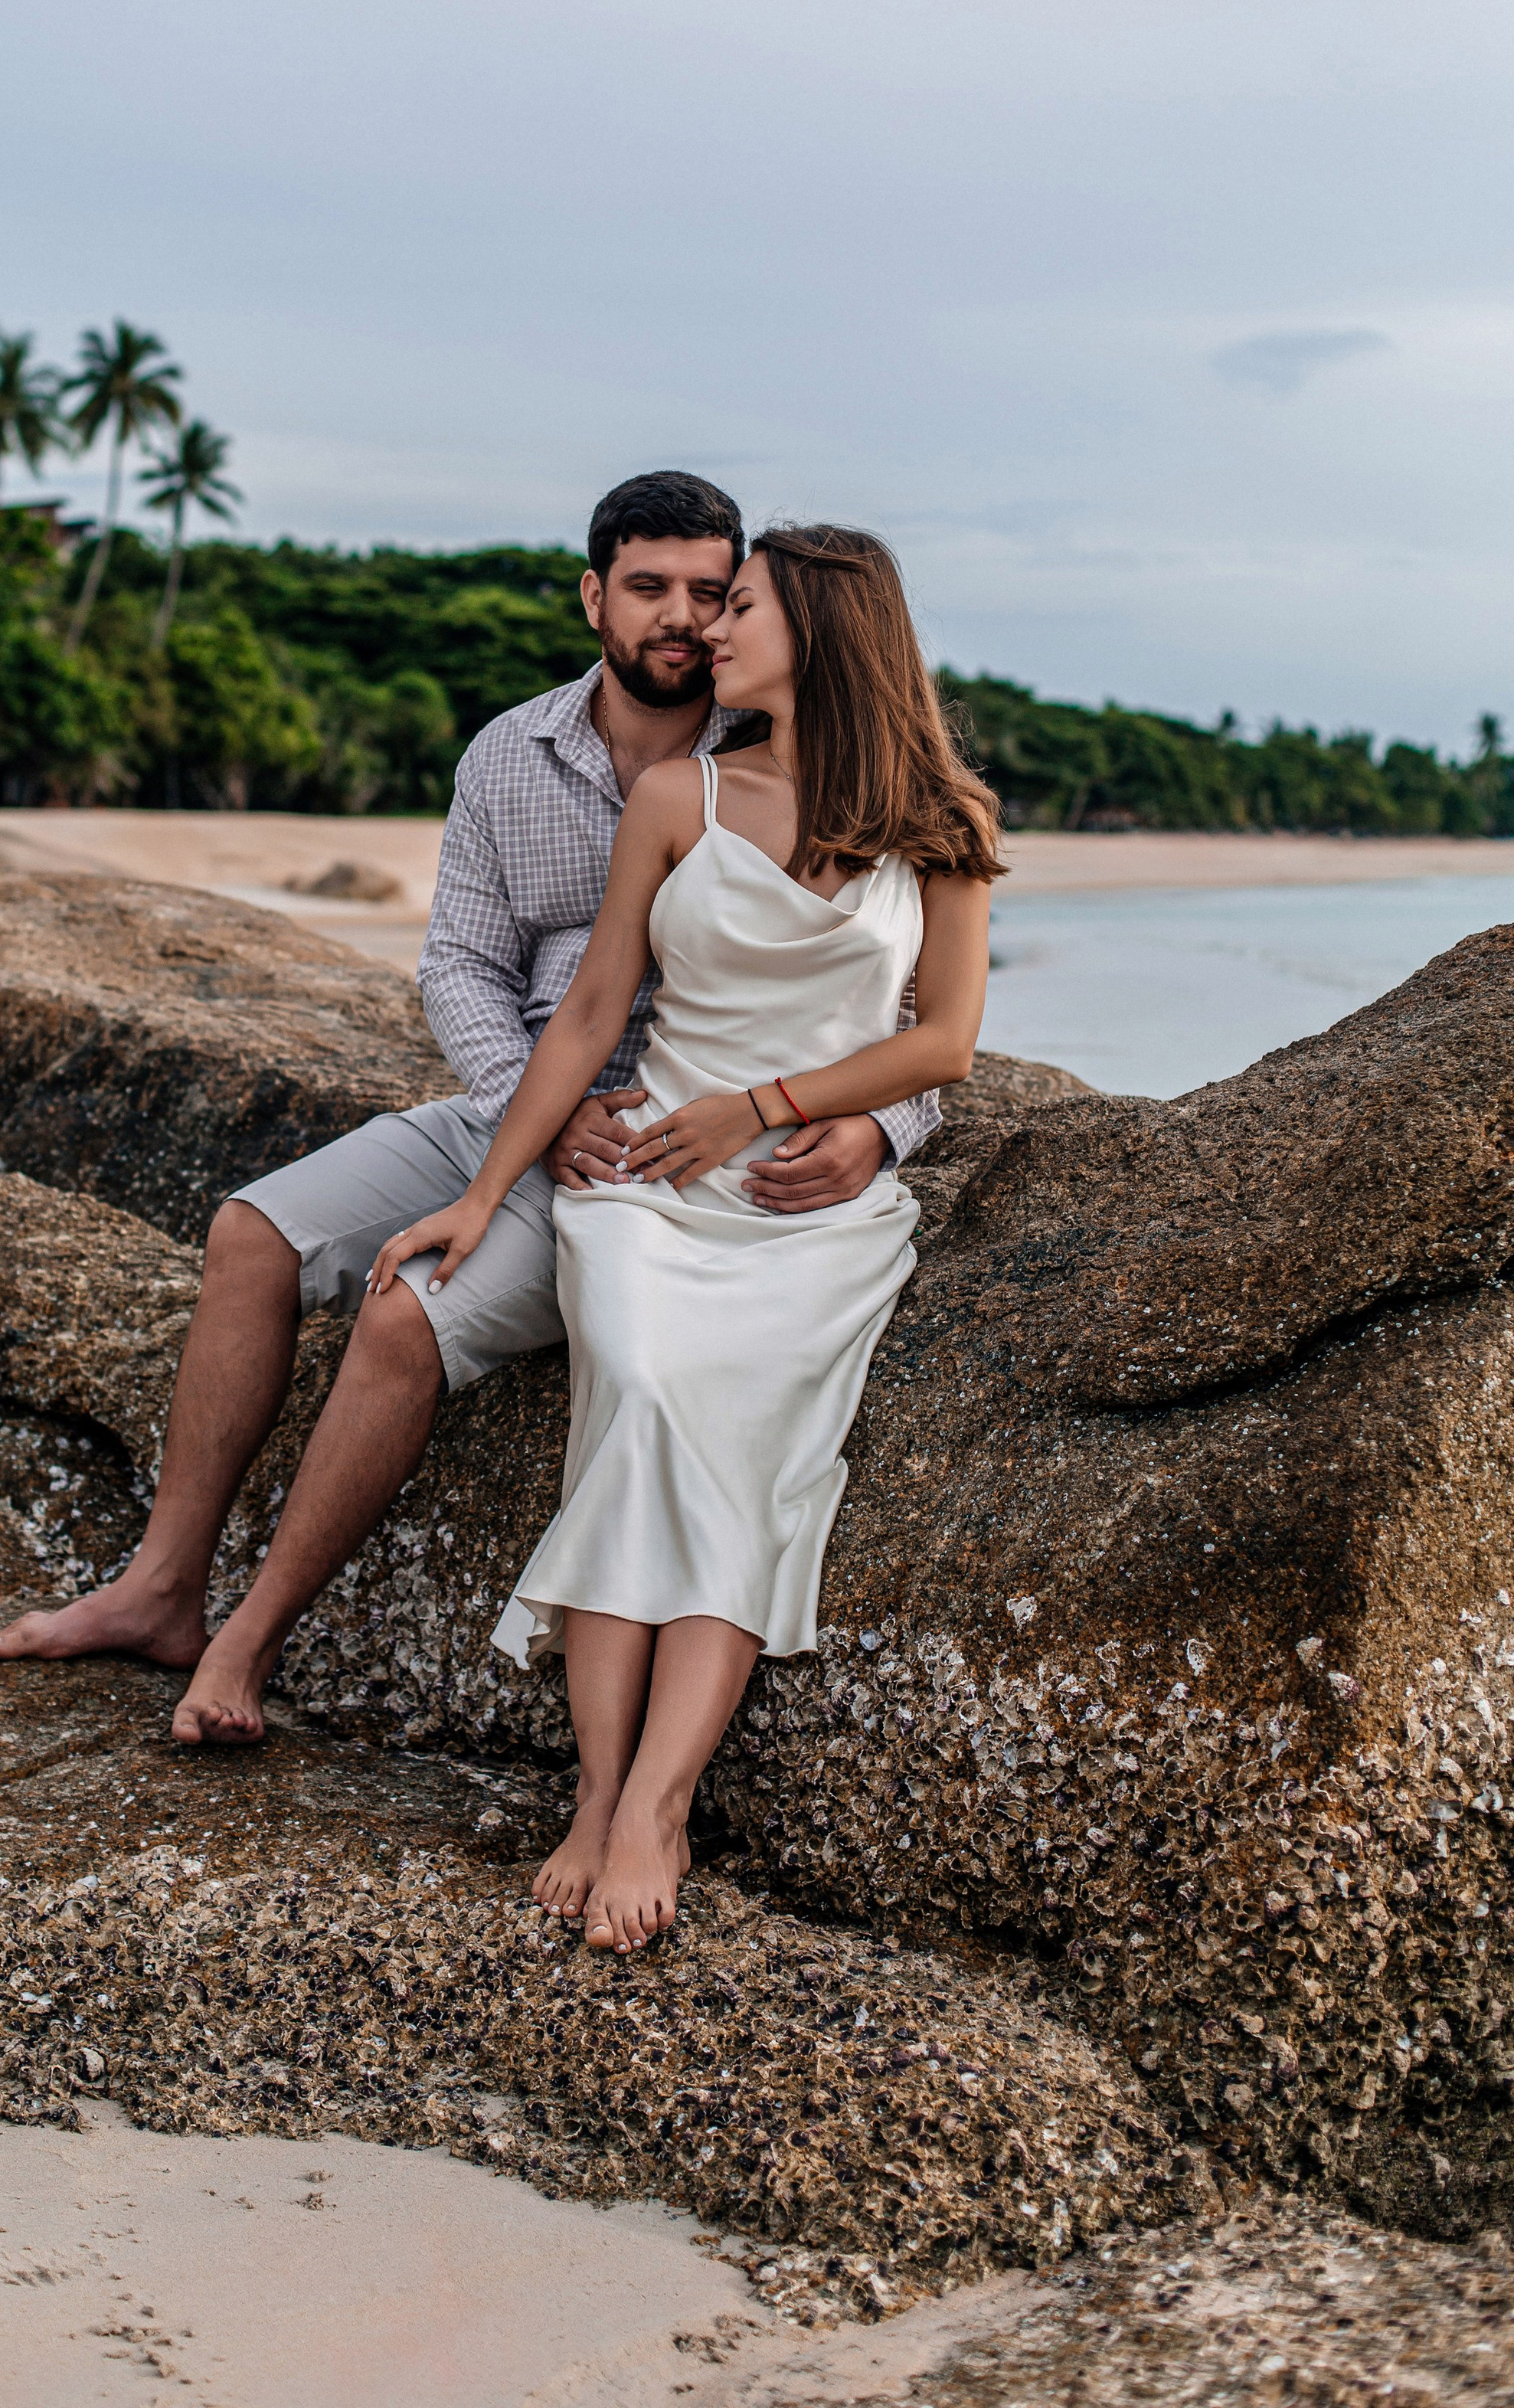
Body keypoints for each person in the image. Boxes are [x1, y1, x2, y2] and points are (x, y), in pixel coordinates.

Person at [0, 475, 941, 1739]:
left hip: (658, 1152)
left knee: (403, 1315)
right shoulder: (512, 752)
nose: (685, 620)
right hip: (519, 1099)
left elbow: (903, 1003)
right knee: (250, 1235)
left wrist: (880, 1130)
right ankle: (161, 1588)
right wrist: (521, 1114)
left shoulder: (782, 752)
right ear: (594, 595)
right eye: (650, 588)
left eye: (713, 594)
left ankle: (247, 1642)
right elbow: (461, 965)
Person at [365, 525, 999, 1955]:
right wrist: (485, 1192)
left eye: (745, 607)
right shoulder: (677, 793)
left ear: (827, 630)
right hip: (647, 1181)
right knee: (642, 1394)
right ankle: (599, 1798)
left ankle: (657, 1804)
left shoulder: (943, 817)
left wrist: (772, 1109)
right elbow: (591, 1013)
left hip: (806, 1215)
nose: (713, 630)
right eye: (710, 606)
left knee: (747, 1454)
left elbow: (946, 1042)